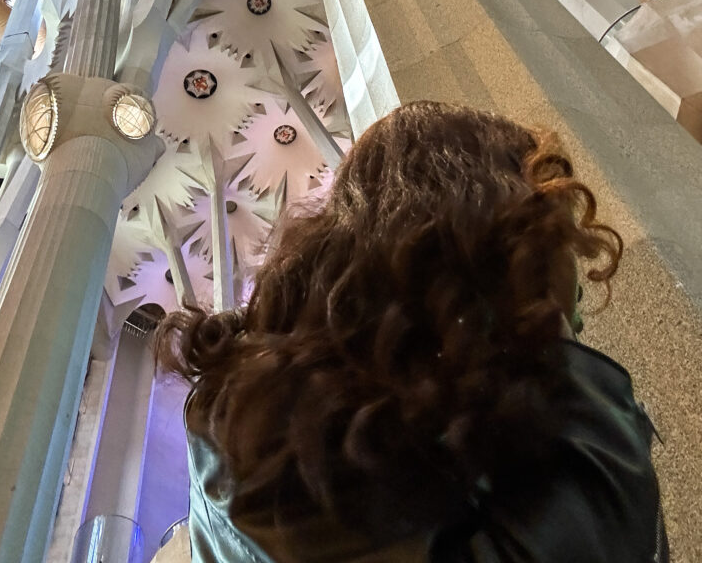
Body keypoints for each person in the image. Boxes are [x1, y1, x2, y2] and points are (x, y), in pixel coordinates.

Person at [156, 102, 669, 562]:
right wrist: (544, 324)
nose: (571, 322)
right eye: (551, 236)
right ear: (492, 235)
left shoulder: (254, 420)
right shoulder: (272, 449)